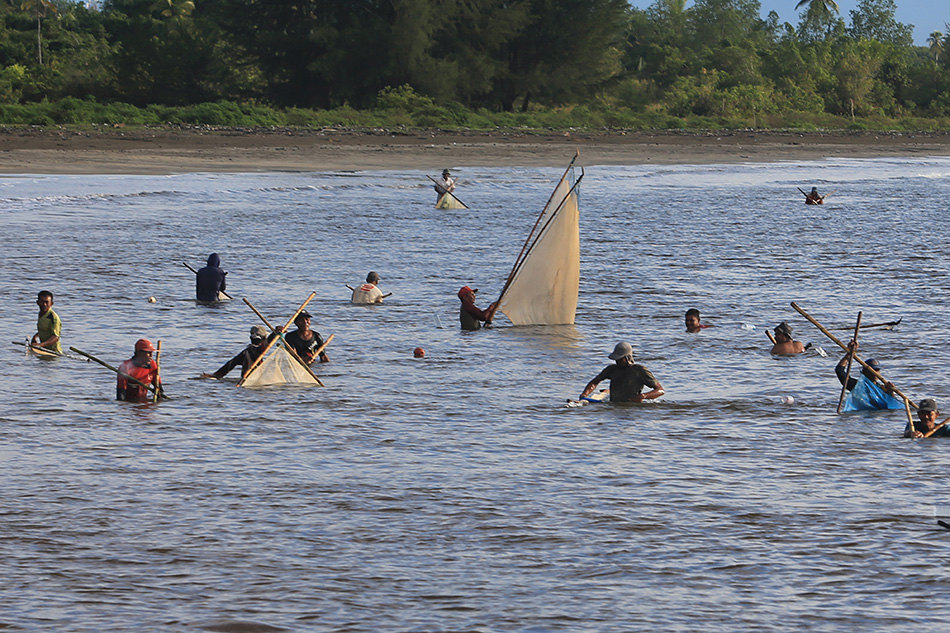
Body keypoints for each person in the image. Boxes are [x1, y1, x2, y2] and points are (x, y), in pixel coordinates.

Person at [579, 342, 665, 403]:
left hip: (632, 407)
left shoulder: (640, 371)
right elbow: (595, 382)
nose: (617, 361)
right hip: (614, 404)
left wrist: (643, 396)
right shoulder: (611, 369)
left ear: (628, 358)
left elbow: (660, 390)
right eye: (616, 359)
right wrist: (584, 395)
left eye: (620, 359)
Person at [835, 340, 902, 410]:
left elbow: (891, 405)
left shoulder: (882, 388)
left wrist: (891, 391)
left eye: (877, 370)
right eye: (872, 370)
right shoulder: (856, 386)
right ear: (864, 372)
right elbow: (839, 371)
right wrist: (849, 354)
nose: (875, 373)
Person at [203, 325, 278, 379]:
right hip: (253, 380)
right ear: (263, 339)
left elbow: (230, 364)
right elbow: (266, 345)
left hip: (248, 379)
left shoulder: (246, 352)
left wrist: (217, 375)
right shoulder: (255, 350)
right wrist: (274, 334)